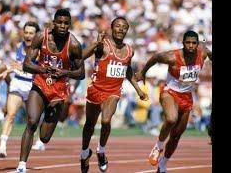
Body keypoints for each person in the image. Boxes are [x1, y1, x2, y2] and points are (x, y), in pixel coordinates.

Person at [16, 8, 85, 172]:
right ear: (53, 23)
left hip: (59, 90)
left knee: (45, 137)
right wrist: (43, 70)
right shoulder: (42, 36)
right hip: (40, 84)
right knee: (32, 122)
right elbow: (26, 64)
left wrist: (66, 72)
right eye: (59, 22)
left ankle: (49, 116)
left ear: (70, 25)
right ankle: (21, 165)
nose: (62, 26)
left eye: (66, 23)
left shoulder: (74, 44)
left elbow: (81, 73)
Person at [135, 30, 212, 173]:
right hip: (169, 93)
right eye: (187, 42)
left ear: (197, 45)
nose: (190, 45)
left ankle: (163, 165)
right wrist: (142, 72)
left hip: (187, 97)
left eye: (193, 43)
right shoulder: (172, 56)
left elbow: (208, 51)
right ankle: (158, 146)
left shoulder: (202, 54)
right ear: (183, 43)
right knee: (171, 119)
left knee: (176, 136)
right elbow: (156, 57)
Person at [80, 17, 148, 173]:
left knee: (106, 120)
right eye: (118, 26)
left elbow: (127, 70)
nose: (121, 29)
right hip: (96, 89)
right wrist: (96, 43)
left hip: (113, 91)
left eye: (124, 27)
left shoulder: (130, 50)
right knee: (89, 125)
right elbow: (82, 57)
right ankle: (84, 153)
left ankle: (101, 150)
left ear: (127, 30)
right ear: (112, 28)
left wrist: (138, 90)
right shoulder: (103, 45)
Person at [0, 21, 41, 158]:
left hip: (32, 87)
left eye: (31, 33)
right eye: (26, 32)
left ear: (36, 35)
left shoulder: (40, 51)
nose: (27, 35)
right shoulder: (19, 46)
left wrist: (18, 67)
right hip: (18, 83)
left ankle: (37, 140)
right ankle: (2, 147)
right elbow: (16, 64)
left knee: (33, 119)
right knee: (11, 114)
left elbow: (31, 67)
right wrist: (8, 71)